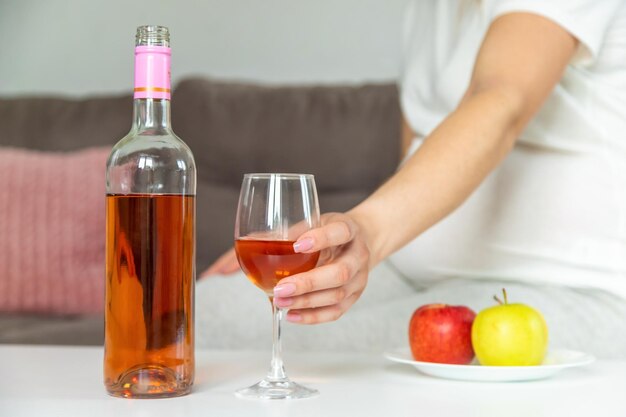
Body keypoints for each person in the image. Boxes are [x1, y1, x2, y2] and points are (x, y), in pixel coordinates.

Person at [201, 0, 626, 358]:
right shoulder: (429, 9)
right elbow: (418, 150)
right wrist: (307, 252)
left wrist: (367, 230)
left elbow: (500, 99)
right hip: (410, 271)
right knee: (194, 318)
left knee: (303, 355)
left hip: (561, 286)